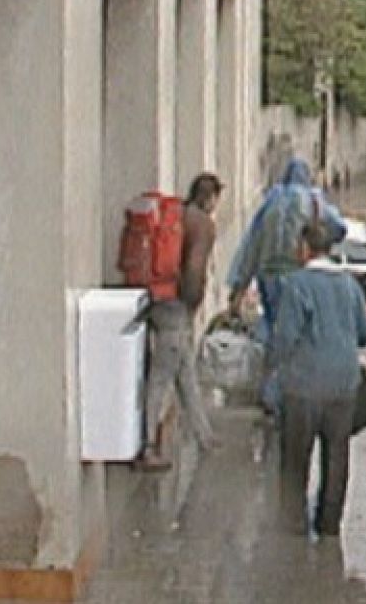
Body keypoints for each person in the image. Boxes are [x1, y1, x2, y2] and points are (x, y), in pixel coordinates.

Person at [273, 222, 366, 537]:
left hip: (304, 386)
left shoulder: (296, 285)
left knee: (295, 459)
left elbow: (284, 339)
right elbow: (364, 333)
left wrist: (273, 369)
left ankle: (293, 523)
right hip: (344, 385)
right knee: (337, 455)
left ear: (305, 249)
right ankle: (329, 524)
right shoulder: (349, 285)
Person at [226, 157, 345, 416]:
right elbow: (340, 228)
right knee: (300, 335)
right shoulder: (314, 201)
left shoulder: (271, 201)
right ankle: (292, 393)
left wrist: (238, 287)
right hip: (299, 277)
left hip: (268, 277)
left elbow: (251, 246)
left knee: (272, 331)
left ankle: (270, 392)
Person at [136, 174, 223, 470]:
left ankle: (204, 436)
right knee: (160, 378)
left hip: (157, 299)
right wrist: (192, 305)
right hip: (176, 305)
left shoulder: (178, 215)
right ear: (211, 198)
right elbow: (195, 267)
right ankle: (148, 448)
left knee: (185, 372)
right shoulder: (203, 225)